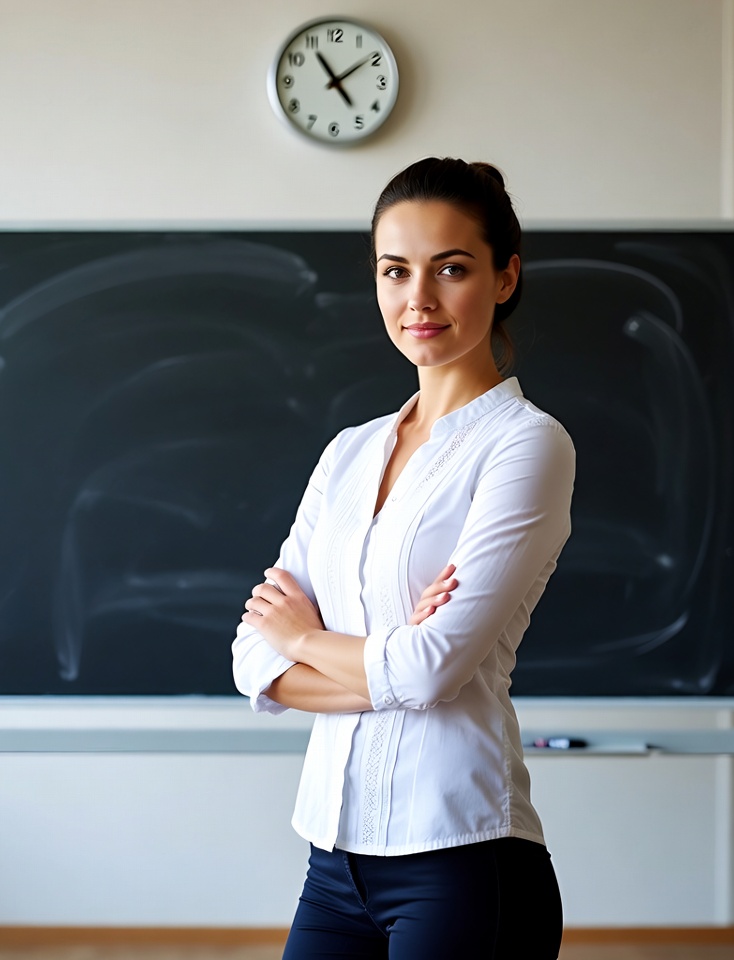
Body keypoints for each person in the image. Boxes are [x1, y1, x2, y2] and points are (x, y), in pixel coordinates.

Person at [232, 156, 574, 959]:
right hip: (331, 861)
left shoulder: (527, 446)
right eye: (395, 271)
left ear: (503, 277)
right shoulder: (348, 454)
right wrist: (387, 661)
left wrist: (308, 639)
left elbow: (431, 672)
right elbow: (253, 657)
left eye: (450, 269)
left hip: (464, 861)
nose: (417, 299)